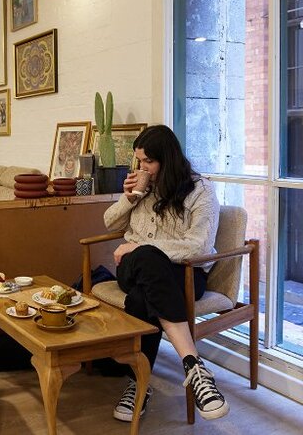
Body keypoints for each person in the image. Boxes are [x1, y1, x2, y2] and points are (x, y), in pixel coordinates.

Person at [101, 125, 228, 422]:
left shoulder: (201, 192)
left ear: (166, 159)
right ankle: (194, 366)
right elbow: (108, 223)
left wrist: (140, 246)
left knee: (141, 296)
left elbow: (199, 246)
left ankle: (138, 384)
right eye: (139, 161)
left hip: (184, 275)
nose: (142, 168)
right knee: (146, 260)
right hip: (133, 268)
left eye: (148, 162)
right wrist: (131, 197)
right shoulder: (142, 190)